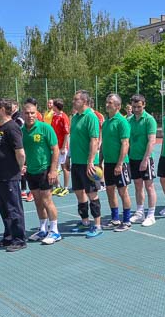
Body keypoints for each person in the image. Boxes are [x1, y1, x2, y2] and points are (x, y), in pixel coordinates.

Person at [0, 98, 27, 252]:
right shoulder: (1, 128)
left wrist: (19, 168)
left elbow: (20, 152)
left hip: (9, 175)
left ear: (2, 110)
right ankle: (9, 236)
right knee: (4, 208)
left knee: (13, 208)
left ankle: (19, 239)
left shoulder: (12, 127)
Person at [22, 100, 62, 245]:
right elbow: (22, 152)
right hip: (31, 171)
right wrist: (23, 165)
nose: (30, 116)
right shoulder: (21, 131)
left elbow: (55, 149)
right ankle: (43, 229)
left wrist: (53, 170)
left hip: (45, 170)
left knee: (47, 200)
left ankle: (55, 231)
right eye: (27, 113)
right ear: (22, 114)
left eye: (32, 113)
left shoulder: (45, 128)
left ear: (36, 113)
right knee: (38, 202)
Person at [67, 90, 103, 238]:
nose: (73, 102)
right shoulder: (75, 117)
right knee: (78, 192)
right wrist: (68, 156)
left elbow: (94, 140)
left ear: (85, 102)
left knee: (92, 193)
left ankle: (98, 225)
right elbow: (73, 139)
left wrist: (90, 162)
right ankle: (85, 222)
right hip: (76, 162)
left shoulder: (91, 117)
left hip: (88, 164)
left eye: (76, 99)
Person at [101, 94, 132, 232]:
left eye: (111, 102)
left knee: (122, 192)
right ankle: (115, 218)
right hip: (108, 163)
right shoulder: (106, 122)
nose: (107, 104)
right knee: (109, 190)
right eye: (107, 102)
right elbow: (104, 144)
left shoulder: (122, 122)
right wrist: (100, 161)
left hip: (120, 164)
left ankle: (126, 220)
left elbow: (125, 144)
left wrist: (119, 164)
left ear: (118, 106)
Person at [127, 94, 158, 227]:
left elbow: (152, 141)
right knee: (138, 185)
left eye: (139, 106)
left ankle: (151, 215)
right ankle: (140, 212)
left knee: (149, 186)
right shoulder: (129, 120)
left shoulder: (149, 120)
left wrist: (145, 159)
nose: (136, 109)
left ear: (144, 105)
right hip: (133, 158)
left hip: (145, 159)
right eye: (134, 107)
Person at [50, 99, 71, 197]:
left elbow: (67, 133)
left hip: (62, 147)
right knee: (54, 166)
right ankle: (58, 186)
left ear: (56, 106)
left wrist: (63, 147)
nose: (51, 106)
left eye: (53, 105)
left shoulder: (64, 117)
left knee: (64, 167)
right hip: (55, 146)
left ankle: (66, 188)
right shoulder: (54, 116)